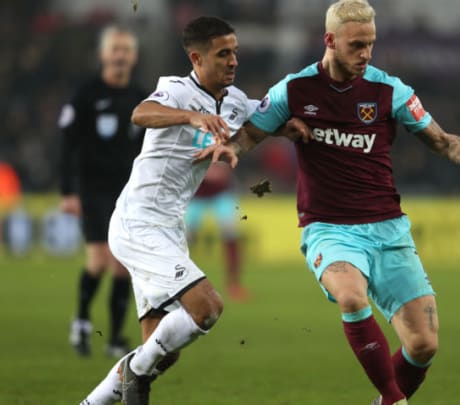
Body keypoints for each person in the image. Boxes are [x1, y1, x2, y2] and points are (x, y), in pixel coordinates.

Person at [202, 1, 460, 403]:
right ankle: (394, 398)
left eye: (371, 44)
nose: (366, 54)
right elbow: (250, 133)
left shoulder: (390, 90)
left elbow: (441, 141)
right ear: (330, 40)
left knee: (423, 345)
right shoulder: (294, 90)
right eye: (356, 45)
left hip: (388, 228)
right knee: (352, 297)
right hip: (329, 228)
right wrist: (230, 151)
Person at [79, 16, 305, 405]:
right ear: (197, 59)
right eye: (223, 54)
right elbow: (141, 113)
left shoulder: (233, 101)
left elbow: (268, 120)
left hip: (169, 228)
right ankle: (133, 374)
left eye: (234, 51)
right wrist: (191, 116)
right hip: (137, 222)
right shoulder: (176, 90)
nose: (233, 60)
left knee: (160, 354)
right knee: (207, 308)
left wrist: (298, 127)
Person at [59, 25, 147, 358]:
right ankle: (82, 322)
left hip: (126, 191)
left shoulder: (140, 98)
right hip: (91, 187)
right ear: (103, 55)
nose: (121, 55)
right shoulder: (85, 95)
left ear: (134, 56)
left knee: (121, 266)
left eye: (126, 50)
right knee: (97, 260)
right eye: (115, 49)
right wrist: (68, 191)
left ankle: (114, 338)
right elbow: (67, 146)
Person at [184, 162, 248, 301]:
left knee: (231, 234)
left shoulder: (223, 140)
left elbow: (222, 172)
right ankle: (178, 284)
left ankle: (234, 285)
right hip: (194, 194)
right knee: (182, 240)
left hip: (222, 193)